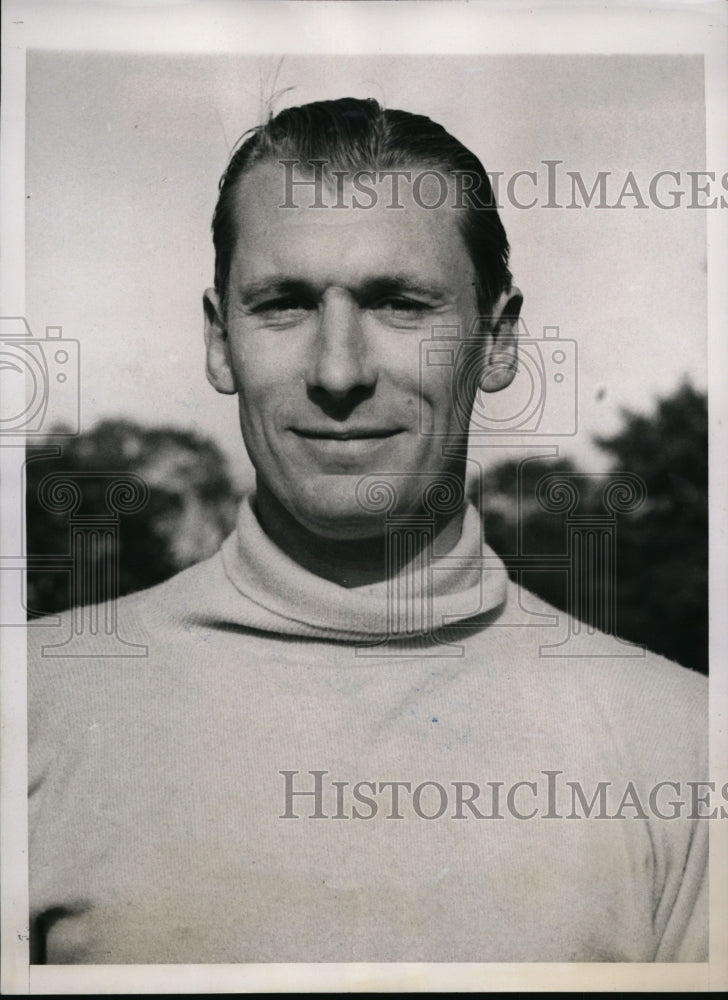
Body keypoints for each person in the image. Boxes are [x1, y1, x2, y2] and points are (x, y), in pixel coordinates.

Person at [28, 97, 707, 964]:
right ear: (219, 340)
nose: (338, 370)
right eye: (284, 304)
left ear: (497, 342)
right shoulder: (32, 714)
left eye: (399, 304)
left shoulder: (683, 746)